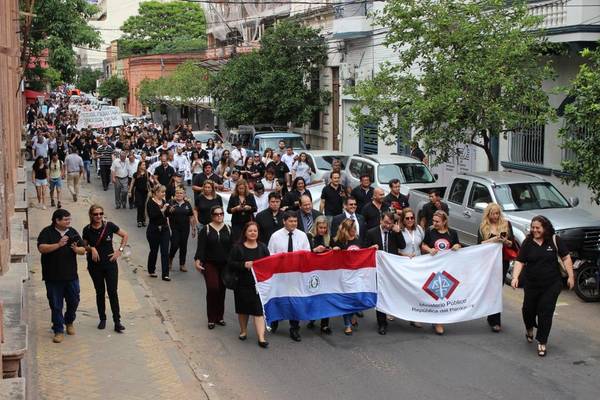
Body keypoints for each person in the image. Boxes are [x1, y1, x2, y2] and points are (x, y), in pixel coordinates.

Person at [511, 215, 574, 357]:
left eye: (537, 228)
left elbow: (566, 257)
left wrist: (571, 276)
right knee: (528, 309)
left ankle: (542, 341)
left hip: (551, 284)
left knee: (545, 310)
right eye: (532, 228)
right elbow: (520, 261)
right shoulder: (528, 242)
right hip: (532, 284)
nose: (534, 230)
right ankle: (529, 328)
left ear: (545, 228)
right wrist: (515, 277)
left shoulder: (554, 240)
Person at [37, 209, 86, 343]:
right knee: (56, 305)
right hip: (52, 277)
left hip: (71, 276)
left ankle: (69, 321)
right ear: (57, 221)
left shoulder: (72, 232)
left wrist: (77, 250)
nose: (68, 222)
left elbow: (83, 250)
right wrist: (58, 245)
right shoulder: (47, 232)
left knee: (74, 301)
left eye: (69, 219)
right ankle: (58, 330)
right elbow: (41, 248)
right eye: (66, 220)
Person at [82, 205, 128, 333]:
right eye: (96, 214)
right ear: (91, 215)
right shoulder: (87, 229)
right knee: (100, 292)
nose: (99, 216)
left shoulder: (109, 226)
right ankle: (102, 318)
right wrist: (91, 248)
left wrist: (119, 251)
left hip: (110, 264)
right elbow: (83, 246)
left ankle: (117, 321)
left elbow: (125, 235)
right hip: (94, 265)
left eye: (101, 213)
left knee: (113, 292)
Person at [267, 211, 311, 341]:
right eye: (291, 221)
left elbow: (307, 254)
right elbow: (270, 255)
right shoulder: (275, 236)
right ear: (284, 221)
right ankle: (275, 320)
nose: (293, 224)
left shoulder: (302, 236)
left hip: (296, 276)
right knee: (279, 299)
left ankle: (294, 328)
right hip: (280, 276)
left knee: (295, 302)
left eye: (295, 221)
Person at [227, 222, 270, 348]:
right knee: (243, 310)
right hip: (241, 284)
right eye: (250, 231)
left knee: (258, 311)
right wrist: (243, 265)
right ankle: (243, 331)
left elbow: (268, 263)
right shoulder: (237, 248)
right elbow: (230, 263)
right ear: (245, 233)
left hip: (258, 285)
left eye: (255, 231)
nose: (253, 233)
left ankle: (261, 338)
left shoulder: (262, 247)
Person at [421, 210, 461, 335]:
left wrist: (457, 246)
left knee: (443, 294)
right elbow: (422, 244)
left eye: (437, 221)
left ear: (444, 222)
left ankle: (439, 320)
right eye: (433, 221)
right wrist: (429, 249)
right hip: (432, 268)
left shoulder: (452, 233)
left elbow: (458, 244)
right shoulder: (430, 231)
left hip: (447, 269)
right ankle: (435, 319)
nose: (434, 223)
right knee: (433, 293)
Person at [477, 203, 515, 332]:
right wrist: (493, 240)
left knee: (497, 289)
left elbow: (512, 244)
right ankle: (491, 316)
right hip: (488, 262)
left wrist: (505, 241)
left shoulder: (506, 224)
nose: (495, 216)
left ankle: (495, 319)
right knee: (490, 288)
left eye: (497, 213)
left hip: (502, 261)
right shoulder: (483, 226)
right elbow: (479, 245)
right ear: (488, 214)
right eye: (493, 214)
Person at [195, 205, 231, 329]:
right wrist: (198, 260)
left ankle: (219, 317)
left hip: (225, 264)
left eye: (221, 214)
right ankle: (211, 318)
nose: (219, 216)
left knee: (222, 290)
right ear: (212, 216)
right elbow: (201, 247)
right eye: (216, 214)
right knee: (213, 288)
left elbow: (233, 248)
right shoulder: (206, 230)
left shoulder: (228, 229)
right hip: (210, 263)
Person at [330, 218, 366, 335]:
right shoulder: (339, 241)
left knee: (356, 298)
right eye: (353, 229)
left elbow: (363, 253)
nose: (355, 230)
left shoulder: (358, 239)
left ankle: (353, 314)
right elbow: (332, 256)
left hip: (357, 275)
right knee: (346, 299)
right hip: (344, 275)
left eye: (355, 228)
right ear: (346, 229)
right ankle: (347, 324)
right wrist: (334, 250)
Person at [399, 208, 425, 329]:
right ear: (403, 220)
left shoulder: (419, 229)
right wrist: (406, 255)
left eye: (412, 218)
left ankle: (414, 317)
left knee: (416, 290)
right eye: (407, 218)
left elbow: (422, 245)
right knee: (403, 290)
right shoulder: (399, 231)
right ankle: (393, 311)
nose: (410, 220)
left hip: (418, 264)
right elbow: (396, 249)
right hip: (404, 263)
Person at [306, 215, 332, 334]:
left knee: (325, 297)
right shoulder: (309, 236)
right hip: (312, 271)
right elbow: (305, 253)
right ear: (316, 226)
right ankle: (312, 318)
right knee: (313, 296)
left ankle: (325, 324)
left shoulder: (328, 238)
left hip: (325, 271)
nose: (323, 230)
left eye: (325, 228)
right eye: (321, 227)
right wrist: (314, 251)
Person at [167, 187, 196, 272]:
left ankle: (182, 264)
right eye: (177, 193)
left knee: (183, 246)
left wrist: (193, 228)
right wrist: (169, 211)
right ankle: (170, 259)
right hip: (174, 228)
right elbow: (166, 215)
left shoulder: (187, 204)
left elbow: (191, 216)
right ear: (175, 195)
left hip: (185, 228)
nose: (179, 195)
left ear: (184, 195)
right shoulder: (171, 203)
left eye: (181, 193)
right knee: (174, 244)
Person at [146, 185, 171, 281]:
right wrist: (162, 210)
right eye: (162, 192)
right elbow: (152, 216)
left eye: (164, 192)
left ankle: (165, 274)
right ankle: (151, 270)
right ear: (156, 193)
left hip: (164, 229)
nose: (164, 194)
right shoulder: (150, 202)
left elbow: (166, 215)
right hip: (154, 230)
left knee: (165, 252)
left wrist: (169, 210)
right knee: (154, 251)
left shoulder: (164, 202)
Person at [129, 161, 152, 227]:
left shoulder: (147, 174)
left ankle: (144, 220)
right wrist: (130, 191)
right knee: (140, 205)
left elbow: (149, 183)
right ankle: (139, 221)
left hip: (145, 192)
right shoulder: (135, 174)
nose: (144, 166)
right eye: (143, 165)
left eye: (145, 165)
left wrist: (150, 191)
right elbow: (132, 183)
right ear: (139, 166)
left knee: (144, 206)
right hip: (138, 192)